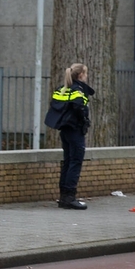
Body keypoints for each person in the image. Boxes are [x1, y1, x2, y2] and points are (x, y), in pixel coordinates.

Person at [44, 63, 94, 210]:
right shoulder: (78, 90)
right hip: (74, 130)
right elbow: (79, 107)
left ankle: (64, 197)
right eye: (85, 74)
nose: (86, 76)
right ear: (80, 75)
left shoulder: (62, 89)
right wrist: (84, 121)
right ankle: (70, 197)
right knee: (76, 162)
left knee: (67, 162)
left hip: (64, 130)